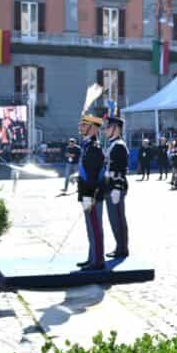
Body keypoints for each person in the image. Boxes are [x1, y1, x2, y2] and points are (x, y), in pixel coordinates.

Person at [76, 113, 106, 271]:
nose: (80, 127)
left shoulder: (94, 148)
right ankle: (92, 257)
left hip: (92, 195)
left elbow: (94, 176)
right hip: (87, 194)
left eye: (83, 125)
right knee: (90, 227)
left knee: (95, 227)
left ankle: (98, 260)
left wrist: (89, 194)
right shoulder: (87, 146)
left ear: (92, 128)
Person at [103, 116, 130, 259]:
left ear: (116, 129)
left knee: (118, 218)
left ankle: (122, 248)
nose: (105, 130)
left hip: (116, 187)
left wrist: (117, 188)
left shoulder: (119, 145)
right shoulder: (112, 144)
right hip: (110, 186)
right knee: (114, 219)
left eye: (108, 127)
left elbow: (121, 169)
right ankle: (119, 246)